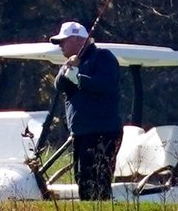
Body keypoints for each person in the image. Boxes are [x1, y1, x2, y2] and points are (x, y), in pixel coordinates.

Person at [50, 20, 123, 200]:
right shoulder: (73, 63)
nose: (60, 46)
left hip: (102, 131)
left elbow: (105, 85)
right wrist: (68, 68)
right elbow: (59, 85)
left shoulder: (103, 57)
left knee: (97, 179)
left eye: (63, 41)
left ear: (77, 40)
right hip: (82, 133)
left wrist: (79, 78)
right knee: (82, 178)